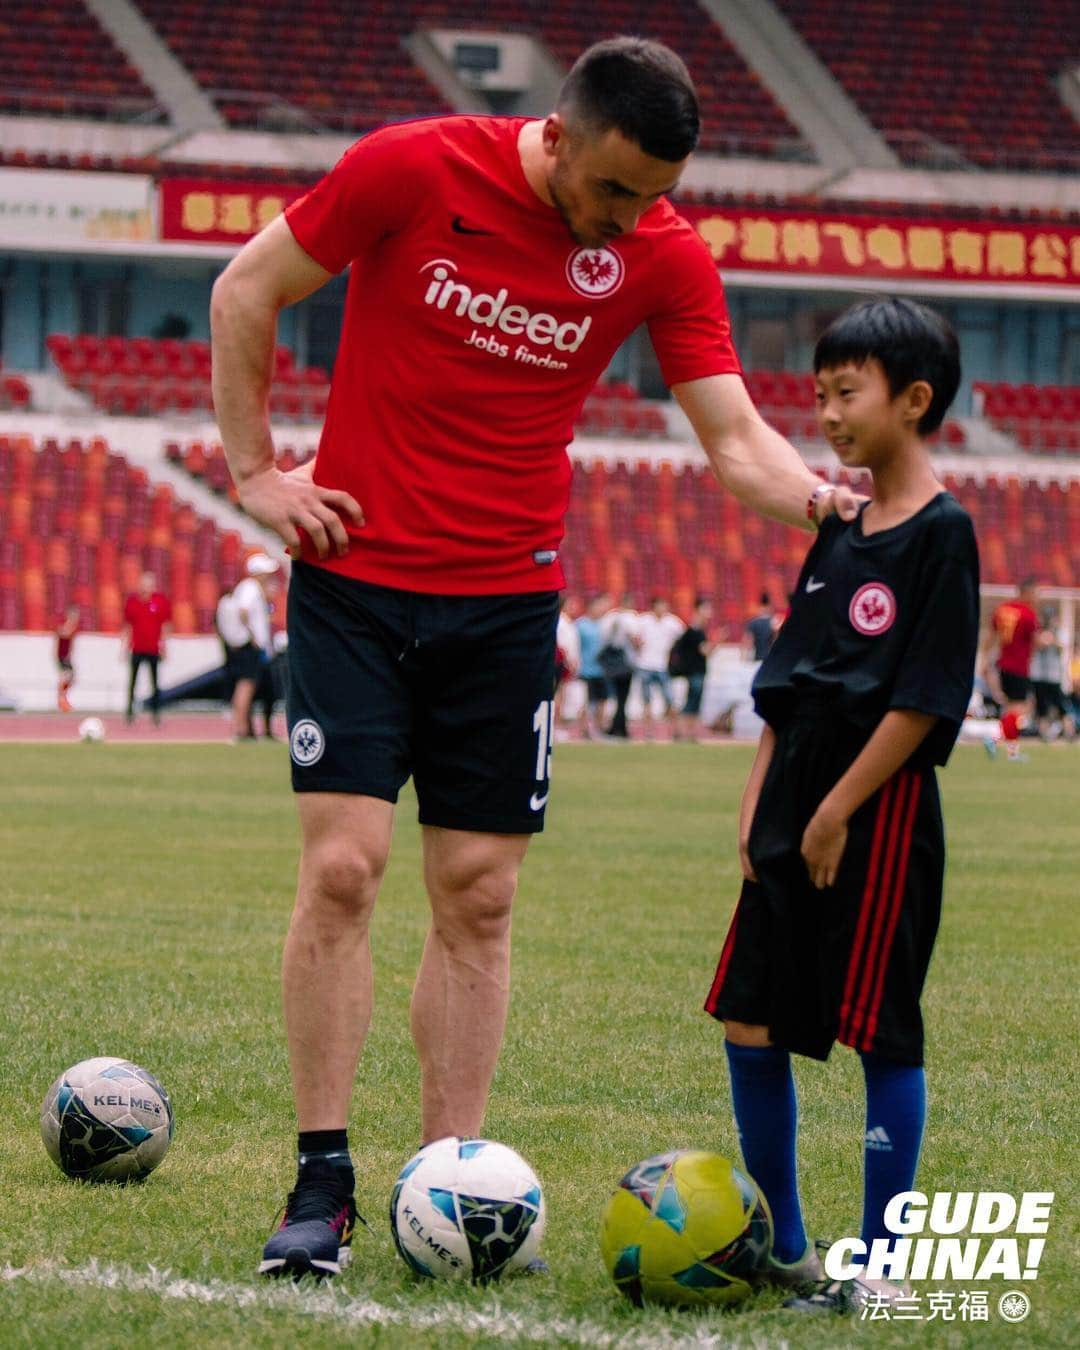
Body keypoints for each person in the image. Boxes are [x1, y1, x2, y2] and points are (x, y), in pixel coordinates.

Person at [210, 35, 861, 1280]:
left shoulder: (662, 251)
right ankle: (323, 1184)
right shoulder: (412, 169)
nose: (630, 216)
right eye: (614, 189)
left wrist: (817, 500)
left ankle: (447, 1184)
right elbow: (248, 288)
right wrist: (253, 474)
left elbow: (732, 437)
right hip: (356, 584)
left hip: (506, 607)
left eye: (653, 194)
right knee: (344, 872)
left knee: (481, 896)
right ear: (557, 138)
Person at [704, 298, 979, 1315]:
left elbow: (923, 700)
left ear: (914, 401)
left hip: (880, 808)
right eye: (817, 394)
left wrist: (837, 809)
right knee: (748, 1014)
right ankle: (786, 1243)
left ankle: (884, 1263)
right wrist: (758, 800)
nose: (824, 412)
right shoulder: (839, 528)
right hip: (793, 798)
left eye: (845, 392)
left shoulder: (944, 537)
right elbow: (790, 676)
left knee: (880, 1029)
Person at [216, 553, 280, 741]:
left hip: (252, 646)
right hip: (250, 647)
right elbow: (243, 611)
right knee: (246, 686)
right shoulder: (250, 588)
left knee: (250, 687)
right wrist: (252, 635)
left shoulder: (251, 588)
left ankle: (243, 728)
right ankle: (241, 729)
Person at [984, 578, 1038, 760]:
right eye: (1035, 593)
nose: (1036, 598)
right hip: (1018, 667)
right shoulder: (1028, 615)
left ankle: (1002, 745)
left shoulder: (1003, 610)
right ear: (1026, 592)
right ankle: (1000, 743)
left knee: (1011, 710)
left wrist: (984, 659)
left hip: (1003, 664)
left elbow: (991, 636)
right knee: (1019, 710)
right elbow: (1035, 641)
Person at [122, 572, 171, 725]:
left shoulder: (160, 601)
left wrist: (164, 646)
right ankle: (130, 712)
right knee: (133, 681)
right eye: (143, 584)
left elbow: (166, 625)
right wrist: (124, 646)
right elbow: (127, 626)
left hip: (153, 649)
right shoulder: (132, 602)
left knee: (155, 683)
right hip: (137, 648)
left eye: (149, 584)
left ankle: (156, 714)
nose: (146, 588)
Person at [635, 595, 684, 738]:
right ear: (654, 606)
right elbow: (635, 638)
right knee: (647, 701)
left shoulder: (672, 622)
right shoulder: (643, 620)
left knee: (670, 700)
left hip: (663, 666)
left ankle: (675, 731)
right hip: (645, 665)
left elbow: (683, 638)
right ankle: (648, 731)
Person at [597, 592, 640, 739]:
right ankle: (620, 728)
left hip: (611, 663)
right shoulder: (631, 618)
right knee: (623, 698)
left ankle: (616, 726)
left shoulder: (610, 617)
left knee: (616, 697)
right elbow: (635, 640)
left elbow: (603, 638)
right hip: (626, 662)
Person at [671, 595, 714, 741]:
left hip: (695, 671)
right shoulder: (695, 630)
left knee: (694, 703)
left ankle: (688, 733)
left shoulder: (696, 629)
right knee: (691, 703)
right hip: (694, 671)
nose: (709, 611)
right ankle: (683, 732)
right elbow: (705, 651)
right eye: (706, 608)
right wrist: (717, 641)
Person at [1030, 608, 1074, 741]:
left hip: (1054, 676)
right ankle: (1043, 734)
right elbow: (1037, 644)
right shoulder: (1038, 632)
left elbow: (1062, 647)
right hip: (1039, 675)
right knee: (1041, 707)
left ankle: (1069, 732)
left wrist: (1052, 637)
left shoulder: (1060, 632)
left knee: (1061, 706)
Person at [575, 592, 611, 739]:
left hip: (602, 670)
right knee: (586, 702)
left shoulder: (604, 624)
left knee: (602, 701)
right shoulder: (580, 625)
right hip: (586, 670)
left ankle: (599, 730)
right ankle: (584, 731)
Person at [55, 604, 79, 712]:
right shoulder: (66, 627)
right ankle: (62, 700)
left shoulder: (72, 628)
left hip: (66, 657)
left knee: (70, 678)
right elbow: (62, 635)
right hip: (62, 656)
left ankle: (63, 699)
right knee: (66, 677)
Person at [743, 592, 777, 663]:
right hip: (770, 660)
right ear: (769, 606)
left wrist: (746, 658)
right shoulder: (774, 622)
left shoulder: (752, 623)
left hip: (757, 658)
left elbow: (748, 642)